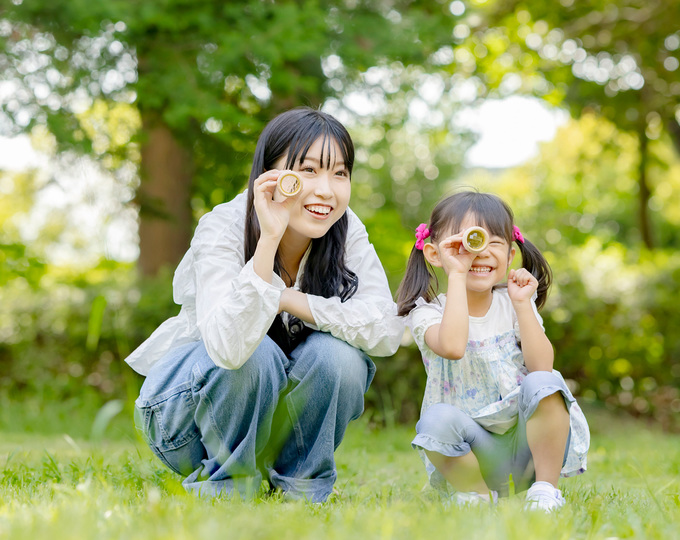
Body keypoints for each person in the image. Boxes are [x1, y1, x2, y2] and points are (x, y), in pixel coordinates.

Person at [127, 108, 404, 502]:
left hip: (269, 426)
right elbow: (228, 349)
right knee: (256, 353)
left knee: (338, 358)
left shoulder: (345, 229)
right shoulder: (224, 226)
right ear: (270, 174)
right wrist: (269, 239)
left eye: (340, 173)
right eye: (308, 170)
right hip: (185, 424)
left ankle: (302, 488)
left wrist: (288, 298)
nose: (326, 191)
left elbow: (387, 330)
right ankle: (226, 486)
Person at [396, 191, 589, 511]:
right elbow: (453, 347)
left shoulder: (512, 303)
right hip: (472, 454)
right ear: (434, 253)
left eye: (493, 242)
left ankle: (544, 490)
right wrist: (457, 273)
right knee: (435, 421)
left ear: (511, 254)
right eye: (467, 241)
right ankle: (477, 494)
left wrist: (523, 305)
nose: (480, 251)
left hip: (527, 446)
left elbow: (542, 367)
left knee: (547, 382)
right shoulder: (427, 313)